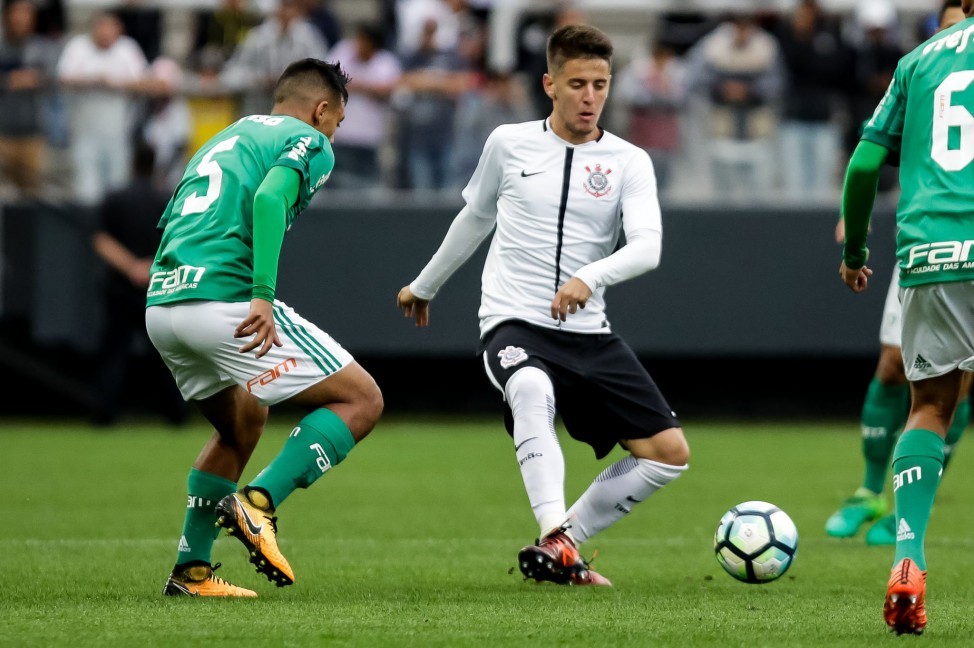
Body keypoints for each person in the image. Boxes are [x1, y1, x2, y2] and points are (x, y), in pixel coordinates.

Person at [396, 24, 690, 587]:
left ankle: (561, 545)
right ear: (550, 84)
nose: (590, 96)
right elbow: (475, 218)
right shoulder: (508, 143)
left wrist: (589, 277)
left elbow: (648, 247)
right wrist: (425, 284)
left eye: (600, 84)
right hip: (514, 321)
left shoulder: (629, 161)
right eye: (577, 84)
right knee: (530, 387)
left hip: (589, 332)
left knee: (668, 453)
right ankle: (555, 530)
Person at [147, 58, 383, 597]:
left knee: (243, 420)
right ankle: (258, 503)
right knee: (362, 400)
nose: (334, 133)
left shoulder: (226, 137)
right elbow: (270, 197)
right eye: (338, 121)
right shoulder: (309, 140)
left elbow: (175, 219)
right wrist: (262, 295)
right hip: (225, 302)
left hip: (164, 304)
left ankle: (191, 572)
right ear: (321, 110)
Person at [837, 0, 974, 634]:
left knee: (930, 408)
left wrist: (855, 252)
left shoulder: (917, 60)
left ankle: (908, 558)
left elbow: (865, 163)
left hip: (931, 251)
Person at [91, 143, 187, 427]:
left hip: (120, 287)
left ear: (132, 162)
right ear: (154, 163)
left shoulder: (115, 198)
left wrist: (131, 266)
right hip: (160, 287)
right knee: (165, 352)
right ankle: (177, 415)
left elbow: (101, 240)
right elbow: (179, 239)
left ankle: (105, 415)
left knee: (114, 352)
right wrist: (151, 266)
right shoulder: (167, 199)